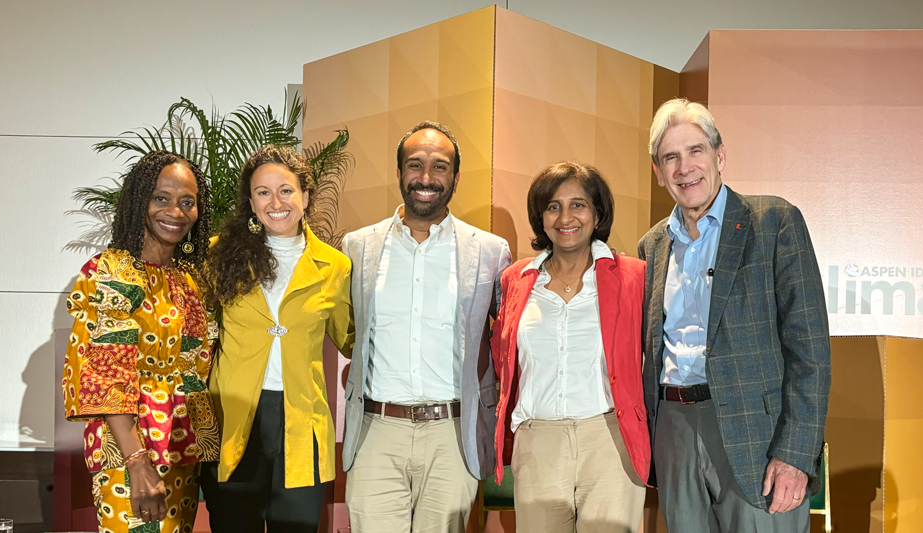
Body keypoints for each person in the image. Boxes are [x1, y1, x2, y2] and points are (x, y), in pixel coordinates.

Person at [638, 98, 831, 532]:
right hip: (674, 431)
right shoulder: (652, 246)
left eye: (695, 151)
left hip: (757, 438)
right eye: (670, 157)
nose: (684, 167)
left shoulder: (774, 222)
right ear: (658, 172)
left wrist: (795, 454)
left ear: (719, 155)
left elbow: (811, 352)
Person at [341, 121, 511, 532]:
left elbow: (508, 338)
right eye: (415, 165)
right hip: (376, 431)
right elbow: (346, 331)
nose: (426, 178)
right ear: (399, 173)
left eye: (440, 166)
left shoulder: (490, 251)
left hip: (453, 433)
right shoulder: (358, 246)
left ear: (454, 177)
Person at [199, 145, 353, 533]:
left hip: (303, 423)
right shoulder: (220, 255)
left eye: (286, 190)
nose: (275, 202)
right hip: (232, 417)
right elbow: (198, 335)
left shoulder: (335, 266)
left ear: (306, 195)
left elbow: (350, 338)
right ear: (250, 203)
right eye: (263, 192)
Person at [63, 150, 218, 532]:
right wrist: (136, 461)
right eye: (160, 198)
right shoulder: (112, 271)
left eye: (187, 202)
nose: (175, 212)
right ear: (139, 202)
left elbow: (195, 370)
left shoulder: (191, 279)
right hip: (129, 449)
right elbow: (104, 376)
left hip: (183, 446)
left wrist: (207, 447)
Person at [490, 161, 649, 533]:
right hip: (537, 443)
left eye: (578, 204)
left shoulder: (633, 277)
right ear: (541, 217)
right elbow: (503, 360)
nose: (565, 217)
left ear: (597, 213)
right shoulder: (516, 280)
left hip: (610, 441)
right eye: (553, 206)